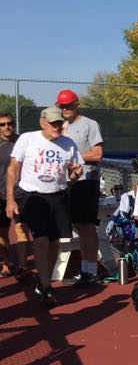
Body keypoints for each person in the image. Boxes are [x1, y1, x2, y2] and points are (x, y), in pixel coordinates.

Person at [5, 106, 83, 304]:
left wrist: (75, 174)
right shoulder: (28, 139)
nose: (57, 127)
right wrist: (10, 199)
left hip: (58, 196)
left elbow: (72, 176)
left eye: (60, 123)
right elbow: (13, 169)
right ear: (42, 122)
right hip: (32, 196)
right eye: (53, 123)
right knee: (41, 240)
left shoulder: (69, 144)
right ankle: (47, 287)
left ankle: (42, 279)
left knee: (55, 243)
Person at [57, 89, 105, 286]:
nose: (65, 109)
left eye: (68, 105)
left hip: (86, 182)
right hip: (68, 184)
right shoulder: (61, 127)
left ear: (76, 105)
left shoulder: (89, 125)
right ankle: (85, 271)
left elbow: (97, 154)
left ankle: (92, 272)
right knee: (78, 227)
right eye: (62, 106)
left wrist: (72, 157)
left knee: (86, 227)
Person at [0, 112, 30, 279]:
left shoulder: (22, 142)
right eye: (2, 124)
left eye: (10, 123)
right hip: (0, 194)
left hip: (19, 193)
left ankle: (24, 266)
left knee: (21, 228)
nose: (7, 127)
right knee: (3, 232)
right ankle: (6, 263)